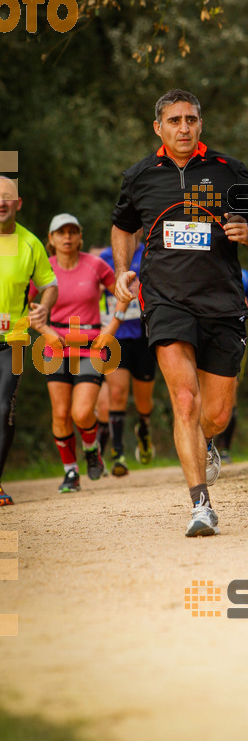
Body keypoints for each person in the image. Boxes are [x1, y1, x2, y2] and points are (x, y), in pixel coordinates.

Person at [112, 88, 248, 536]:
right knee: (184, 400)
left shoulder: (229, 170)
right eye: (175, 120)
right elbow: (123, 226)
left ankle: (208, 441)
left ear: (200, 124)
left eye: (191, 120)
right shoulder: (140, 175)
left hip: (221, 301)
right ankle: (201, 504)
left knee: (214, 414)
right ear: (158, 127)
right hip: (165, 300)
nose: (184, 127)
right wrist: (123, 270)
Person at [36, 213, 127, 493]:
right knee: (61, 413)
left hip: (91, 346)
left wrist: (110, 329)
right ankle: (71, 472)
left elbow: (124, 294)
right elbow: (25, 304)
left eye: (72, 232)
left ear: (80, 237)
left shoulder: (96, 265)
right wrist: (44, 330)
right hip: (55, 345)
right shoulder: (43, 269)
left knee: (82, 411)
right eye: (60, 232)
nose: (67, 237)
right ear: (50, 239)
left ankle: (91, 447)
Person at [0, 176, 58, 506]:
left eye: (8, 197)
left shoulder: (31, 244)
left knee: (3, 407)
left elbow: (49, 284)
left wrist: (44, 308)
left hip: (14, 340)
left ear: (18, 204)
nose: (1, 202)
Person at [95, 229, 157, 476]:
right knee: (117, 393)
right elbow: (94, 290)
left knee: (144, 401)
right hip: (116, 336)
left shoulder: (152, 253)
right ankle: (118, 454)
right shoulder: (104, 258)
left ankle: (143, 429)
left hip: (144, 336)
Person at [216, 267, 248, 462]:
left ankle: (225, 448)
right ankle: (202, 446)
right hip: (203, 338)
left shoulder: (244, 276)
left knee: (230, 391)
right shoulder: (204, 268)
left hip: (234, 339)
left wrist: (243, 310)